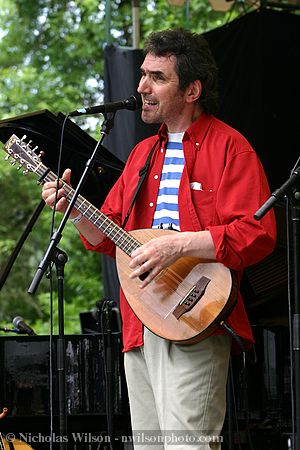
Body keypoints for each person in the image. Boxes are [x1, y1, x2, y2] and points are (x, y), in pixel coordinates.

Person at [42, 28, 277, 449]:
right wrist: (73, 209)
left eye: (157, 77)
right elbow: (106, 234)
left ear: (192, 90)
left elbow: (257, 234)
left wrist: (178, 244)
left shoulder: (230, 148)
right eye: (142, 75)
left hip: (196, 320)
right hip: (140, 324)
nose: (141, 87)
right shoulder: (139, 156)